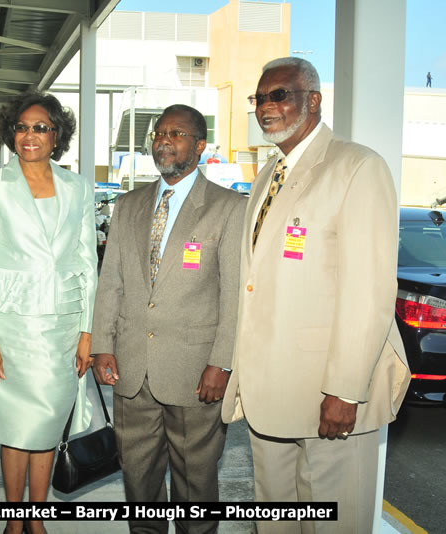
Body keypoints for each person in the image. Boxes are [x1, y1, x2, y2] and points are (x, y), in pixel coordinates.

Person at [222, 57, 410, 533]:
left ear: (313, 100)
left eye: (279, 95)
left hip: (328, 393)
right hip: (268, 393)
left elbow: (369, 291)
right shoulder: (267, 176)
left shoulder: (357, 166)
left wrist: (345, 389)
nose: (267, 106)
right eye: (260, 98)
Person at [91, 104, 246, 534]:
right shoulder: (129, 205)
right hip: (132, 368)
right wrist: (103, 343)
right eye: (159, 133)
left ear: (200, 146)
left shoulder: (228, 207)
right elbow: (112, 282)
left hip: (196, 373)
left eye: (177, 134)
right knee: (138, 482)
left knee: (195, 485)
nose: (164, 140)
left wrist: (223, 360)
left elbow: (234, 292)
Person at [0, 91, 97, 534]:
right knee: (14, 426)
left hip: (61, 327)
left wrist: (86, 331)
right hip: (8, 328)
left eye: (40, 127)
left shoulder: (78, 186)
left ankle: (35, 517)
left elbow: (86, 262)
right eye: (22, 127)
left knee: (47, 425)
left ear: (57, 135)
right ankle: (13, 518)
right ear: (11, 132)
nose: (30, 135)